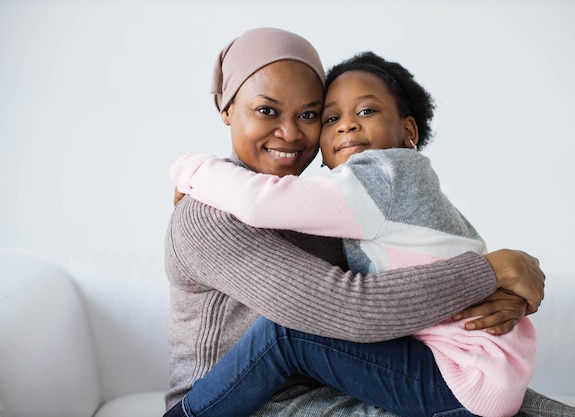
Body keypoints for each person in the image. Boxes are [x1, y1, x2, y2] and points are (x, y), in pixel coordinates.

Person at [164, 27, 548, 417]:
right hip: (237, 401)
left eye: (310, 115)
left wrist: (503, 292)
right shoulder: (206, 215)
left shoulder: (330, 208)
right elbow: (349, 307)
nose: (291, 132)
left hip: (332, 379)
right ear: (227, 110)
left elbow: (401, 292)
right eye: (267, 110)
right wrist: (488, 272)